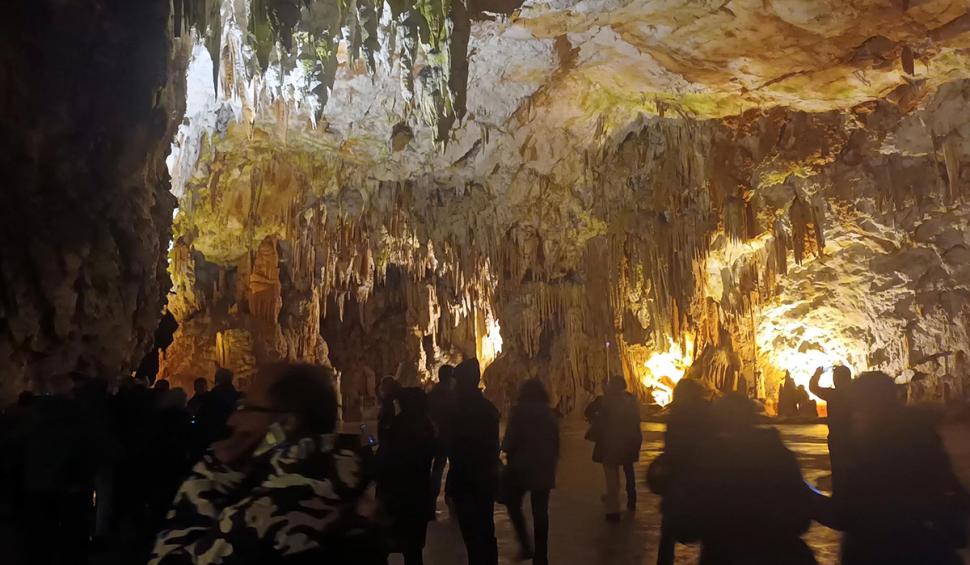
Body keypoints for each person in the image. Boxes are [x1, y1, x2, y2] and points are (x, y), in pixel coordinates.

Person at [149, 363, 382, 565]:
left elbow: (170, 557)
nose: (234, 419)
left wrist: (212, 471)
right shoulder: (348, 487)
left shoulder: (267, 512)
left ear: (285, 424)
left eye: (247, 407)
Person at [838, 372, 968, 565]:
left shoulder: (875, 448)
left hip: (890, 548)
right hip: (927, 544)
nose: (854, 417)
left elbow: (851, 510)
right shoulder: (922, 435)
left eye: (857, 408)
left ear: (869, 406)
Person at [674, 394, 816, 565]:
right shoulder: (780, 456)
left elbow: (687, 528)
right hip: (777, 554)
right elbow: (801, 518)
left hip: (723, 556)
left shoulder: (711, 462)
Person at [649, 378, 711, 565]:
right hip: (704, 479)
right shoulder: (708, 414)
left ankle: (664, 561)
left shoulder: (677, 415)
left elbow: (672, 448)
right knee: (710, 527)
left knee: (668, 530)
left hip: (679, 480)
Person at [502, 379, 559, 565]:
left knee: (513, 503)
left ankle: (526, 544)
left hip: (522, 468)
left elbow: (510, 440)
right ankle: (541, 556)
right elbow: (556, 442)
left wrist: (507, 451)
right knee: (541, 512)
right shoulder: (549, 413)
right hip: (544, 467)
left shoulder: (519, 412)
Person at [449, 358, 500, 565]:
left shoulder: (457, 411)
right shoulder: (488, 409)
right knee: (486, 530)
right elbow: (493, 446)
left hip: (465, 480)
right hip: (485, 479)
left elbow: (452, 446)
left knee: (471, 534)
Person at [377, 387, 436, 565]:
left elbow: (383, 460)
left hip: (396, 497)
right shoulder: (428, 426)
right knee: (413, 551)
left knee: (382, 547)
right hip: (418, 496)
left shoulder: (398, 426)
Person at [591, 375, 642, 521]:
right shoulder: (631, 401)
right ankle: (632, 500)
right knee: (628, 470)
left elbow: (589, 411)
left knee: (612, 475)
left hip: (611, 443)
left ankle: (613, 509)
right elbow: (636, 421)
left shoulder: (607, 401)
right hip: (628, 442)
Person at [809, 365, 852, 498]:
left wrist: (817, 374)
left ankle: (840, 496)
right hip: (852, 437)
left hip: (836, 437)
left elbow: (813, 388)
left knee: (838, 468)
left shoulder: (832, 394)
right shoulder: (855, 394)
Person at [428, 364, 457, 515]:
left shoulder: (433, 393)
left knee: (437, 468)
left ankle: (432, 500)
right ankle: (450, 496)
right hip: (448, 436)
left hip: (435, 435)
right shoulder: (451, 395)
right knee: (452, 467)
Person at [194, 367, 239, 449]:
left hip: (213, 440)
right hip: (234, 442)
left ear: (216, 379)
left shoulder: (209, 398)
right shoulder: (238, 397)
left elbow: (201, 420)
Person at [377, 376, 401, 443]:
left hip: (388, 438)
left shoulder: (388, 403)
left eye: (382, 385)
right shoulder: (387, 402)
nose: (380, 387)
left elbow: (385, 421)